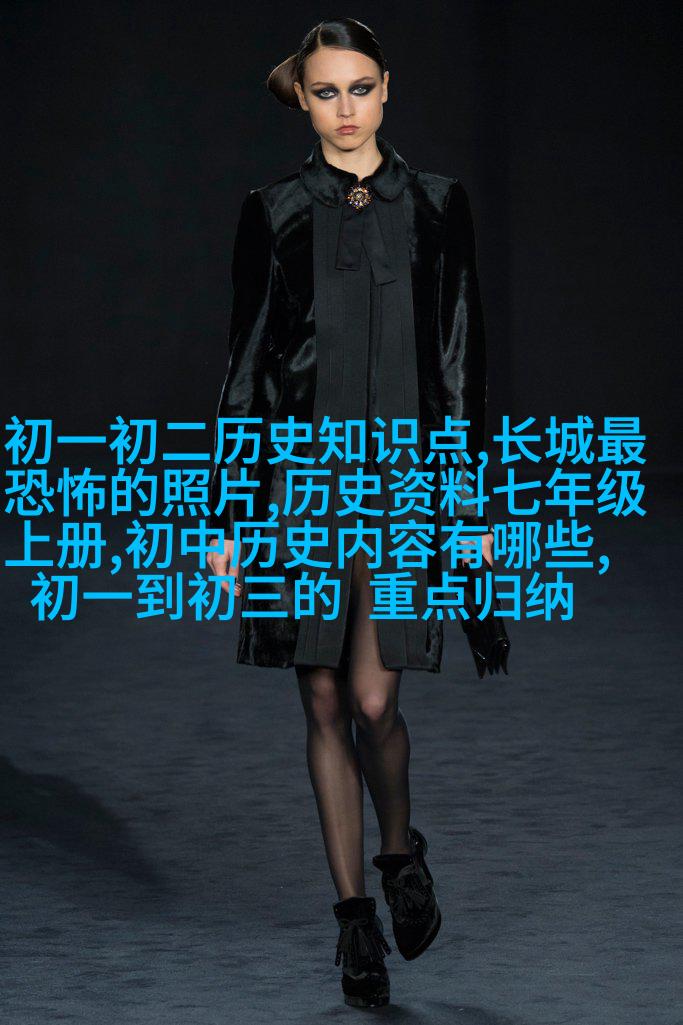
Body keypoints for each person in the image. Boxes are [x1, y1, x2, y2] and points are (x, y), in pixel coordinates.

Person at [205, 17, 493, 1009]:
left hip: (404, 478)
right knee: (323, 699)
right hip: (301, 483)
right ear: (303, 97)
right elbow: (247, 365)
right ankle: (352, 921)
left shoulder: (438, 204)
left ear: (386, 88)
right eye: (324, 91)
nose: (344, 109)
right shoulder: (275, 209)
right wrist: (227, 514)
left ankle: (399, 853)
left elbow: (458, 354)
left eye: (359, 88)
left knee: (375, 700)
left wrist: (467, 496)